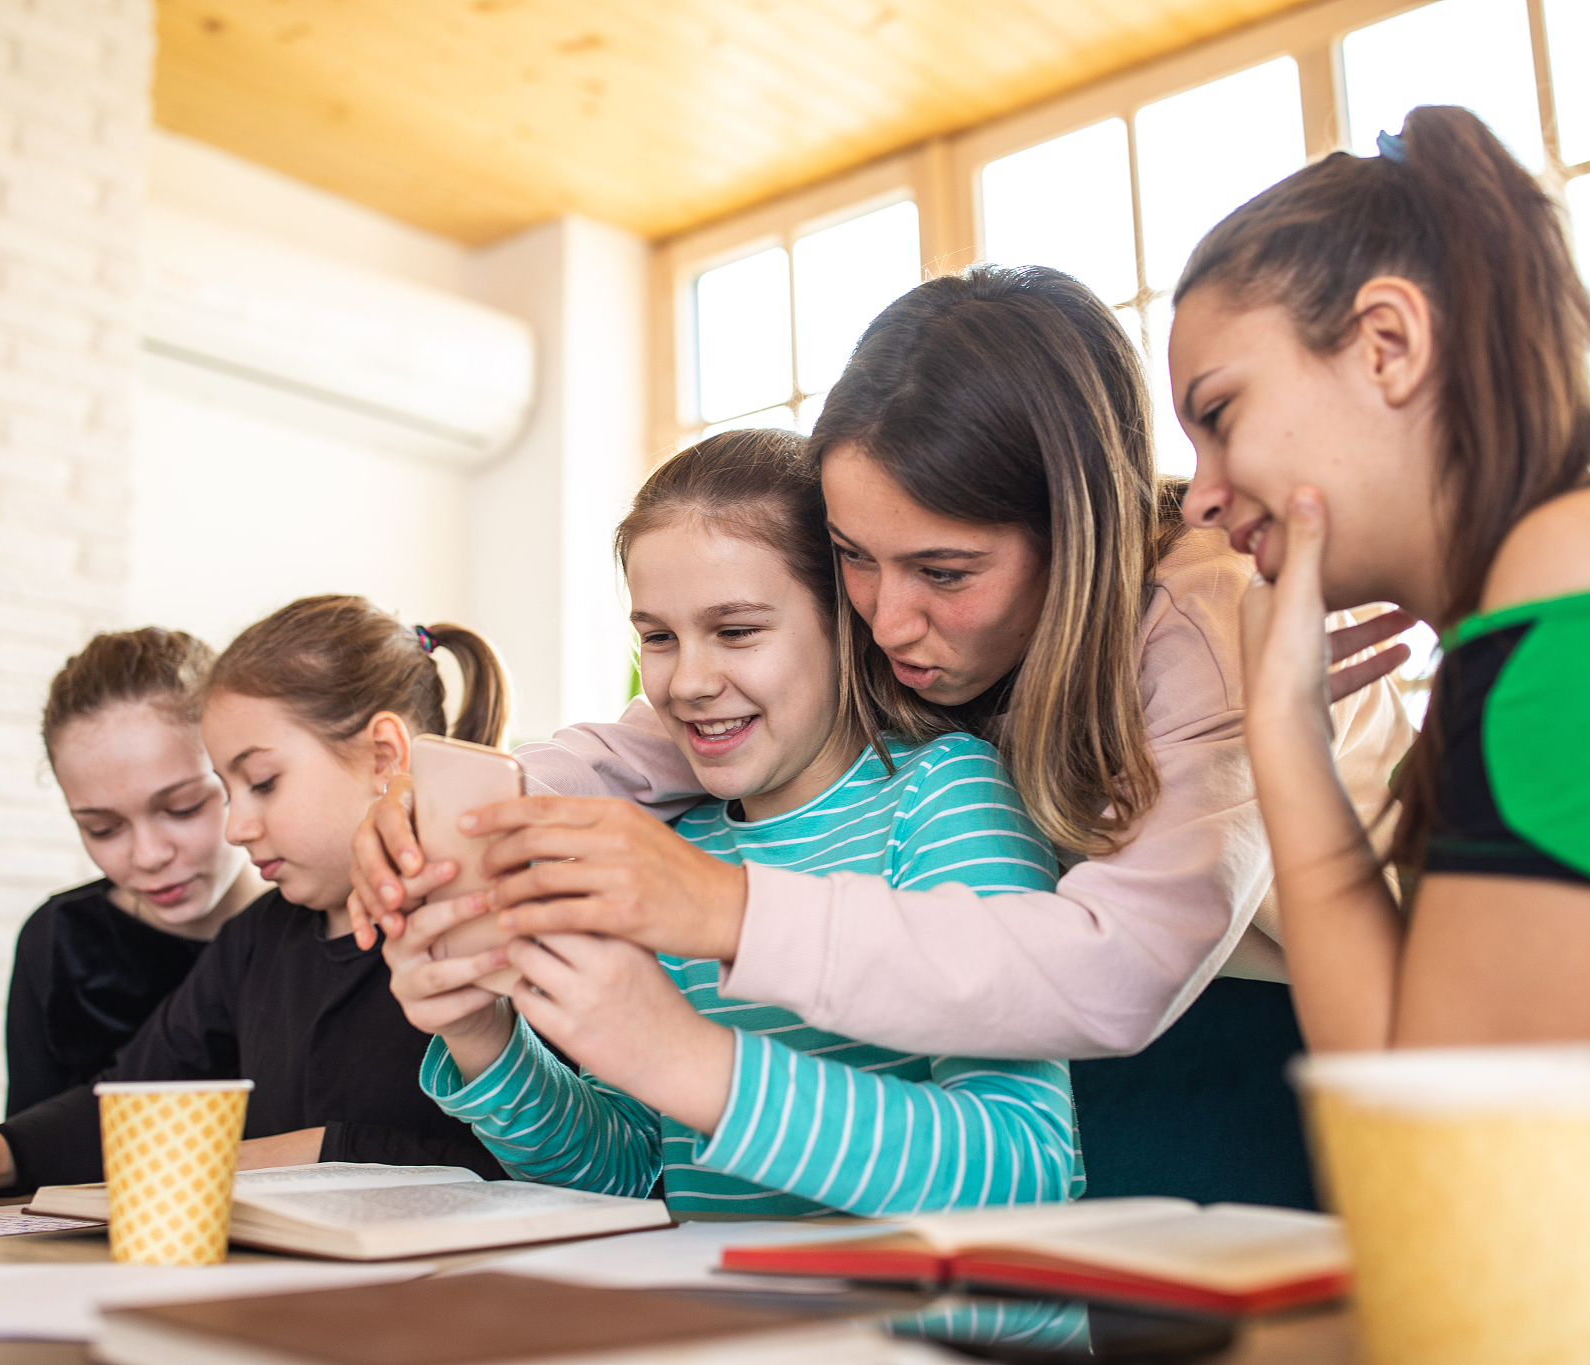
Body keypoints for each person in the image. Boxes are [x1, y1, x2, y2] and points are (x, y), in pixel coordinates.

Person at [352, 267, 1416, 1207]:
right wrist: (437, 809)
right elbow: (649, 739)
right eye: (854, 557)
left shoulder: (1203, 627)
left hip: (1310, 1034)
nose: (884, 618)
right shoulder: (897, 635)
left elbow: (1115, 981)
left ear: (1073, 532)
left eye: (942, 572)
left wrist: (715, 917)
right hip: (1086, 1021)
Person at [1172, 106, 1590, 1064]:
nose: (1200, 497)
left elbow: (1440, 1109)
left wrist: (1285, 737)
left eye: (1219, 412)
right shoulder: (1567, 589)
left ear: (1388, 344)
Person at [390, 430, 1082, 1216]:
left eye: (738, 630)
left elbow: (1026, 1164)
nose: (686, 681)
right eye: (657, 636)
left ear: (847, 624)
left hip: (925, 1334)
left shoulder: (944, 795)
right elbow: (631, 1169)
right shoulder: (679, 846)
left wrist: (684, 1056)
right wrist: (484, 1037)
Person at [0, 598, 509, 1206]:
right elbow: (135, 1100)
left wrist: (317, 1152)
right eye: (226, 791)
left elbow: (552, 1163)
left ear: (383, 757)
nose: (236, 826)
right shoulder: (258, 937)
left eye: (262, 784)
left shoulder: (496, 919)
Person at [6, 628, 264, 1116]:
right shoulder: (59, 940)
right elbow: (25, 1148)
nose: (148, 856)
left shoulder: (319, 925)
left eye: (184, 808)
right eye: (103, 829)